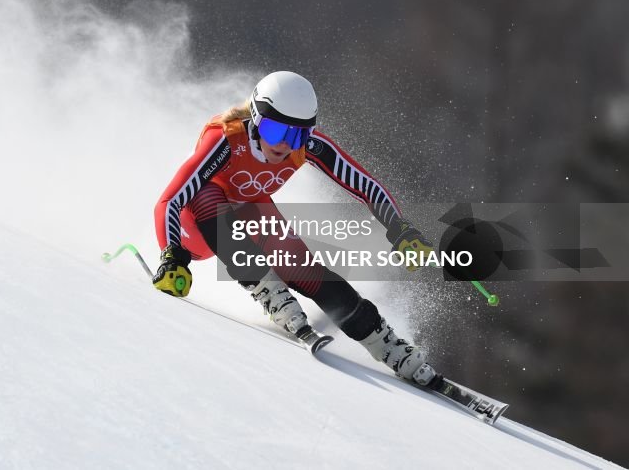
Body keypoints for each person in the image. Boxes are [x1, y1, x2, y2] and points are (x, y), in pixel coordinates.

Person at [152, 70, 437, 384]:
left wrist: (400, 228)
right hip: (194, 227)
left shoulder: (309, 147)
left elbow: (364, 185)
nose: (285, 145)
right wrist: (172, 256)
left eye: (298, 135)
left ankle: (383, 341)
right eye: (275, 132)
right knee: (207, 191)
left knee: (305, 269)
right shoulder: (226, 138)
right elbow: (170, 200)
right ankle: (269, 291)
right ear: (257, 119)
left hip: (248, 210)